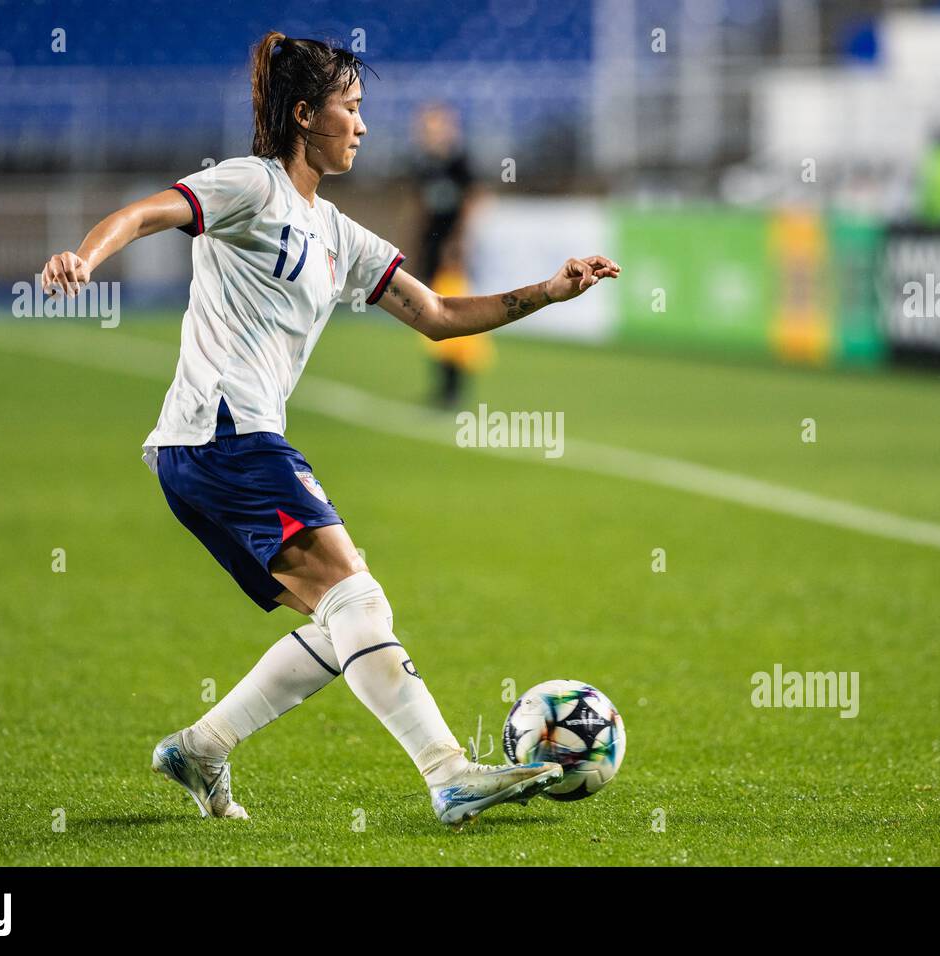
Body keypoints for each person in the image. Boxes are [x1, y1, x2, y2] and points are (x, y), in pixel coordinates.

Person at [39, 33, 620, 827]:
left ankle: (204, 746)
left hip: (214, 447)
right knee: (357, 599)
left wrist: (547, 292)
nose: (363, 125)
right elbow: (145, 213)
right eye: (352, 108)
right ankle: (449, 774)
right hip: (226, 435)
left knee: (349, 615)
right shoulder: (252, 185)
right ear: (305, 115)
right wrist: (84, 256)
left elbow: (438, 315)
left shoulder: (337, 232)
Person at [410, 103, 490, 408]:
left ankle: (455, 387)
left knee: (453, 313)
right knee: (431, 313)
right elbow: (421, 207)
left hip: (451, 251)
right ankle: (442, 385)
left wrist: (458, 241)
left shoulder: (459, 162)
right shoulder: (424, 165)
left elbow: (473, 200)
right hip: (432, 248)